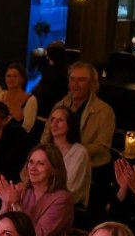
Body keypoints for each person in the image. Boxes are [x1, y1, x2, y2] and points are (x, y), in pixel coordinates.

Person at [40, 61, 115, 218]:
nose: (75, 84)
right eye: (72, 79)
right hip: (58, 165)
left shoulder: (104, 111)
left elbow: (102, 148)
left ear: (92, 84)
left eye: (81, 80)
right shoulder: (60, 105)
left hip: (93, 170)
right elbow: (46, 138)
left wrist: (71, 151)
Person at [0, 144, 74, 236]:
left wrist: (16, 204)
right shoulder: (23, 190)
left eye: (40, 164)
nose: (33, 168)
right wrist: (5, 203)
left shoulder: (62, 199)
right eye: (31, 162)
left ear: (53, 169)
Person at [46, 104, 90, 207]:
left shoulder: (80, 153)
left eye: (60, 120)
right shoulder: (45, 148)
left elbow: (70, 188)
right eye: (52, 120)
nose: (54, 124)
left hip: (67, 206)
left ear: (70, 125)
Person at [31, 40, 69, 125]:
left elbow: (36, 54)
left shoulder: (49, 70)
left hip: (46, 109)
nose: (47, 57)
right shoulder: (65, 71)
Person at [0, 62, 38, 134]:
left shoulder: (30, 99)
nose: (11, 79)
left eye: (15, 76)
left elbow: (27, 127)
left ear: (23, 79)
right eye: (8, 76)